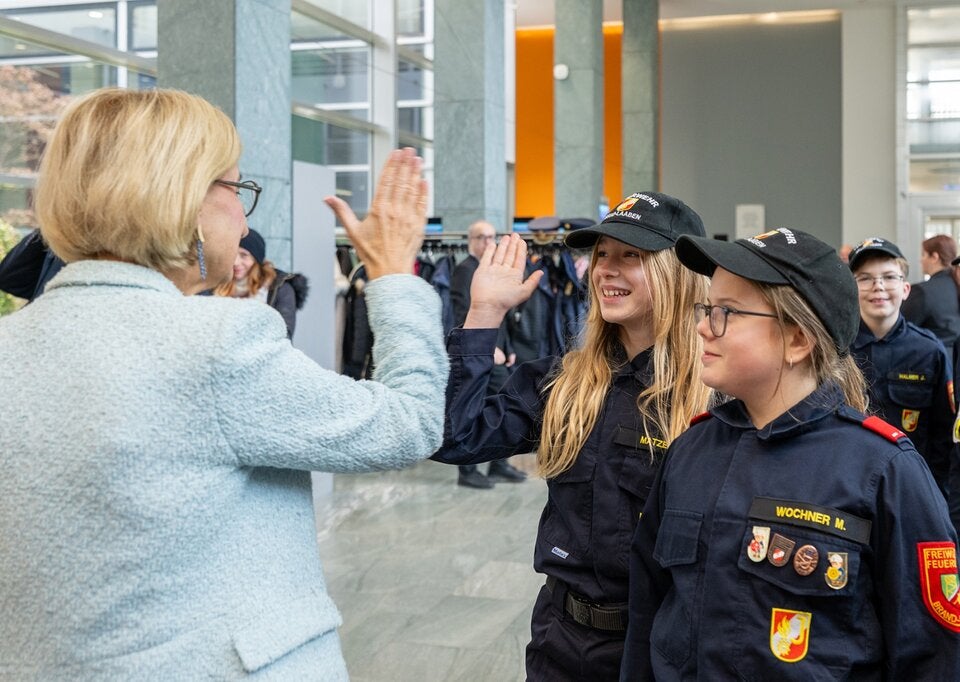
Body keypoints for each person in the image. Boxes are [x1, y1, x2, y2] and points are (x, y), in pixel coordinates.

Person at [0, 88, 447, 679]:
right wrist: (392, 275)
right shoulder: (215, 344)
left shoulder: (11, 348)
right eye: (237, 189)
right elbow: (408, 423)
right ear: (181, 195)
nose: (243, 215)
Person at [623, 227, 960, 680]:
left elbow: (932, 657)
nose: (703, 326)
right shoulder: (690, 451)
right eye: (706, 308)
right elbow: (648, 612)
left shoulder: (883, 470)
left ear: (798, 340)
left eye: (726, 312)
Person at [433, 192, 713, 679]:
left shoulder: (714, 395)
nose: (607, 268)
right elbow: (455, 437)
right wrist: (484, 316)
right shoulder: (566, 380)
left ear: (676, 272)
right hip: (559, 638)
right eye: (602, 254)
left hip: (661, 647)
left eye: (631, 256)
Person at [847, 237, 955, 496]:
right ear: (851, 290)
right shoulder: (836, 350)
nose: (878, 286)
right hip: (848, 486)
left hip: (910, 488)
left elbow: (944, 438)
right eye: (865, 278)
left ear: (906, 289)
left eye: (889, 277)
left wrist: (935, 497)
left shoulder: (929, 351)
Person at [449, 218, 526, 488]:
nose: (488, 242)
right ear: (471, 240)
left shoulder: (489, 269)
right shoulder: (464, 270)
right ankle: (467, 472)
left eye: (492, 237)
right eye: (482, 237)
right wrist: (487, 348)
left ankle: (498, 462)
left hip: (497, 349)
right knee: (472, 407)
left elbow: (502, 312)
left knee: (500, 401)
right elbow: (462, 312)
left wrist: (508, 348)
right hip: (480, 350)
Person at [214, 227, 308, 339]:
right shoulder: (214, 283)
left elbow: (285, 336)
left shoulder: (280, 288)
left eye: (244, 255)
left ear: (256, 258)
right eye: (232, 254)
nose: (236, 262)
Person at [901, 234, 960, 360]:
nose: (920, 260)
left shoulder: (922, 291)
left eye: (923, 255)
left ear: (935, 257)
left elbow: (900, 331)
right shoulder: (955, 285)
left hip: (931, 364)